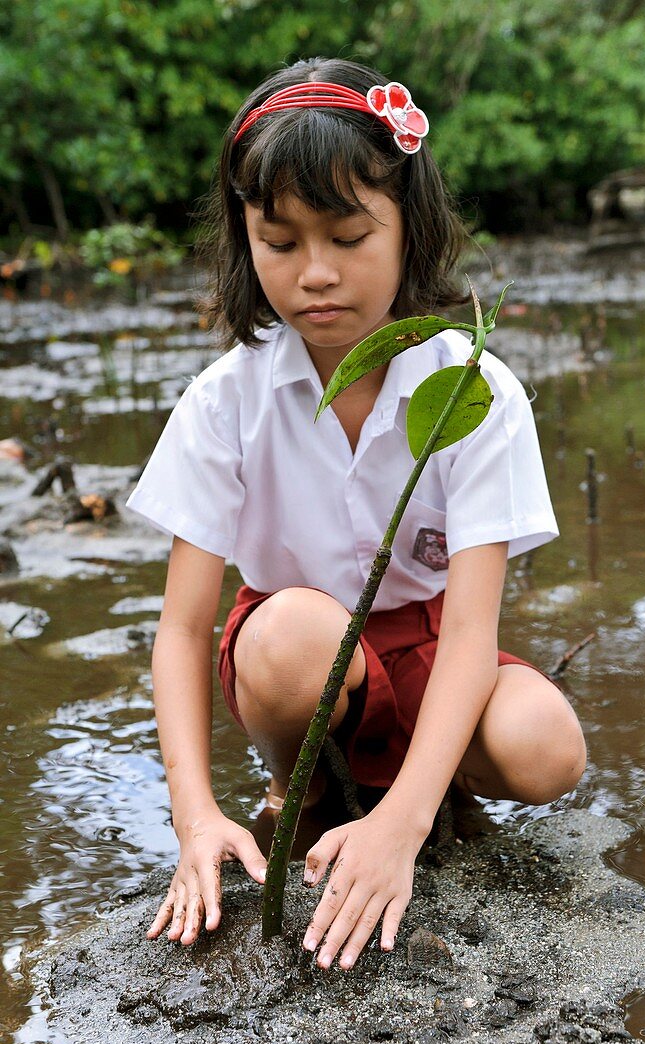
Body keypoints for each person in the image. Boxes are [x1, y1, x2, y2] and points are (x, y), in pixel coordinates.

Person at [126, 57, 586, 972]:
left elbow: (468, 633)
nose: (316, 275)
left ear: (409, 228)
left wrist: (405, 829)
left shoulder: (473, 389)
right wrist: (194, 817)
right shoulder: (227, 401)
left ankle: (414, 789)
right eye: (281, 241)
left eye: (347, 235)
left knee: (547, 747)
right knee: (297, 632)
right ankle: (301, 785)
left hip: (424, 649)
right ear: (244, 238)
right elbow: (181, 632)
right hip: (292, 656)